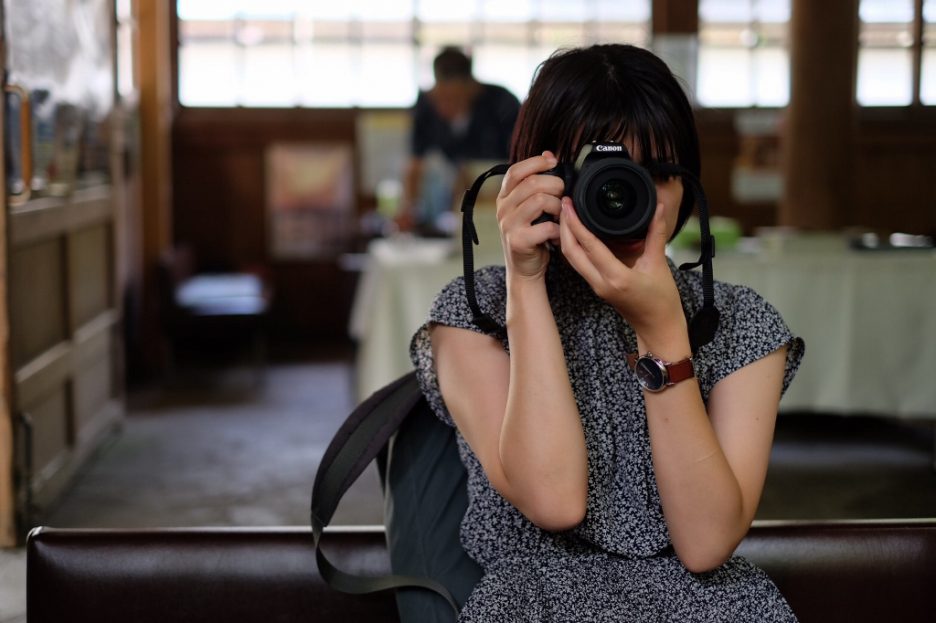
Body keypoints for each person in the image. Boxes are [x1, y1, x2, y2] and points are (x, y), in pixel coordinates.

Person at [408, 44, 805, 621]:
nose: (624, 196)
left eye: (656, 174)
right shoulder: (478, 315)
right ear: (536, 177)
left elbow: (705, 544)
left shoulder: (740, 324)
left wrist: (663, 330)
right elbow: (555, 500)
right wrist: (525, 283)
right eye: (599, 172)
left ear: (687, 187)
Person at [397, 46, 520, 235]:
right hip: (454, 191)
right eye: (441, 97)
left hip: (502, 194)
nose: (445, 106)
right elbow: (415, 164)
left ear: (472, 86)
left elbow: (522, 159)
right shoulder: (426, 105)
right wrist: (408, 208)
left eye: (454, 97)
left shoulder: (502, 102)